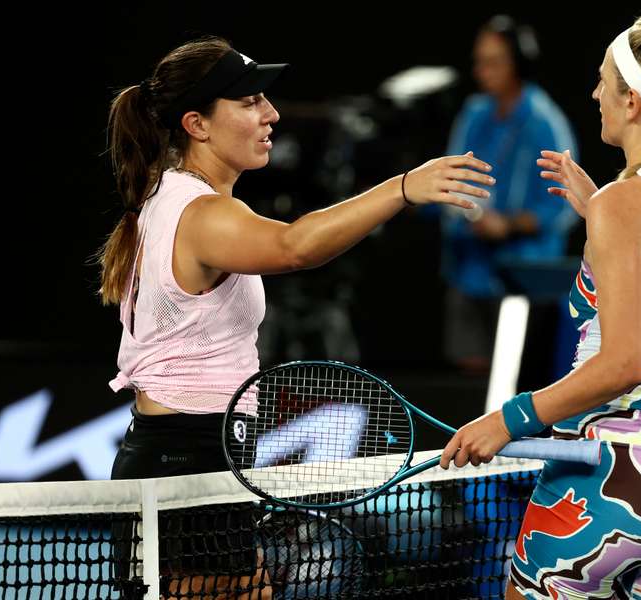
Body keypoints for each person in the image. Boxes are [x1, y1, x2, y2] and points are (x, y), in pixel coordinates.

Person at [97, 36, 492, 599]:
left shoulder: (175, 198)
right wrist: (403, 188)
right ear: (198, 124)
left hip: (195, 455)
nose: (271, 114)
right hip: (185, 461)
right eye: (250, 102)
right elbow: (295, 247)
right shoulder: (202, 213)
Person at [441, 13, 641, 600]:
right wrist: (599, 219)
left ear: (631, 100)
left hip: (608, 482)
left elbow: (625, 365)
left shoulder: (623, 206)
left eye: (603, 80)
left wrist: (507, 419)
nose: (594, 93)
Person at [442, 15, 578, 372]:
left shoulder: (544, 121)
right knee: (469, 389)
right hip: (470, 270)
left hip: (524, 280)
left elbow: (564, 206)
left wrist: (508, 225)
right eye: (479, 62)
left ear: (519, 64)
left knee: (518, 381)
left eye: (492, 62)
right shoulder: (473, 114)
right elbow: (451, 177)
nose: (481, 71)